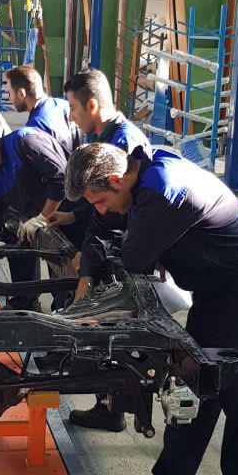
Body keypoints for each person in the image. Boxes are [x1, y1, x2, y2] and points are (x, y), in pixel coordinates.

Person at [64, 142, 238, 475]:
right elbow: (111, 233)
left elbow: (133, 257)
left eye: (101, 201)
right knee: (191, 397)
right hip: (214, 296)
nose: (102, 210)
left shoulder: (163, 188)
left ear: (117, 179)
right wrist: (92, 267)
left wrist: (131, 253)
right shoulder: (142, 177)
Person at [55, 67, 153, 431]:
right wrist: (72, 218)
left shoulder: (120, 143)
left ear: (92, 105)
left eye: (73, 107)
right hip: (115, 244)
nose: (71, 116)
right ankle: (109, 404)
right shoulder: (107, 136)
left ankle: (114, 406)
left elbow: (108, 216)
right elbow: (97, 206)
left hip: (125, 248)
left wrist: (88, 270)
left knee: (110, 325)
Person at [0, 126, 70, 310]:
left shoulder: (25, 142)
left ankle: (66, 317)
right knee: (18, 247)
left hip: (68, 216)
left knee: (64, 281)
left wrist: (43, 217)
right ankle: (24, 306)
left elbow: (60, 178)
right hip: (38, 222)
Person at [4, 65, 83, 155]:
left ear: (21, 94)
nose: (10, 97)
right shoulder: (65, 105)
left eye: (10, 92)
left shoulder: (36, 127)